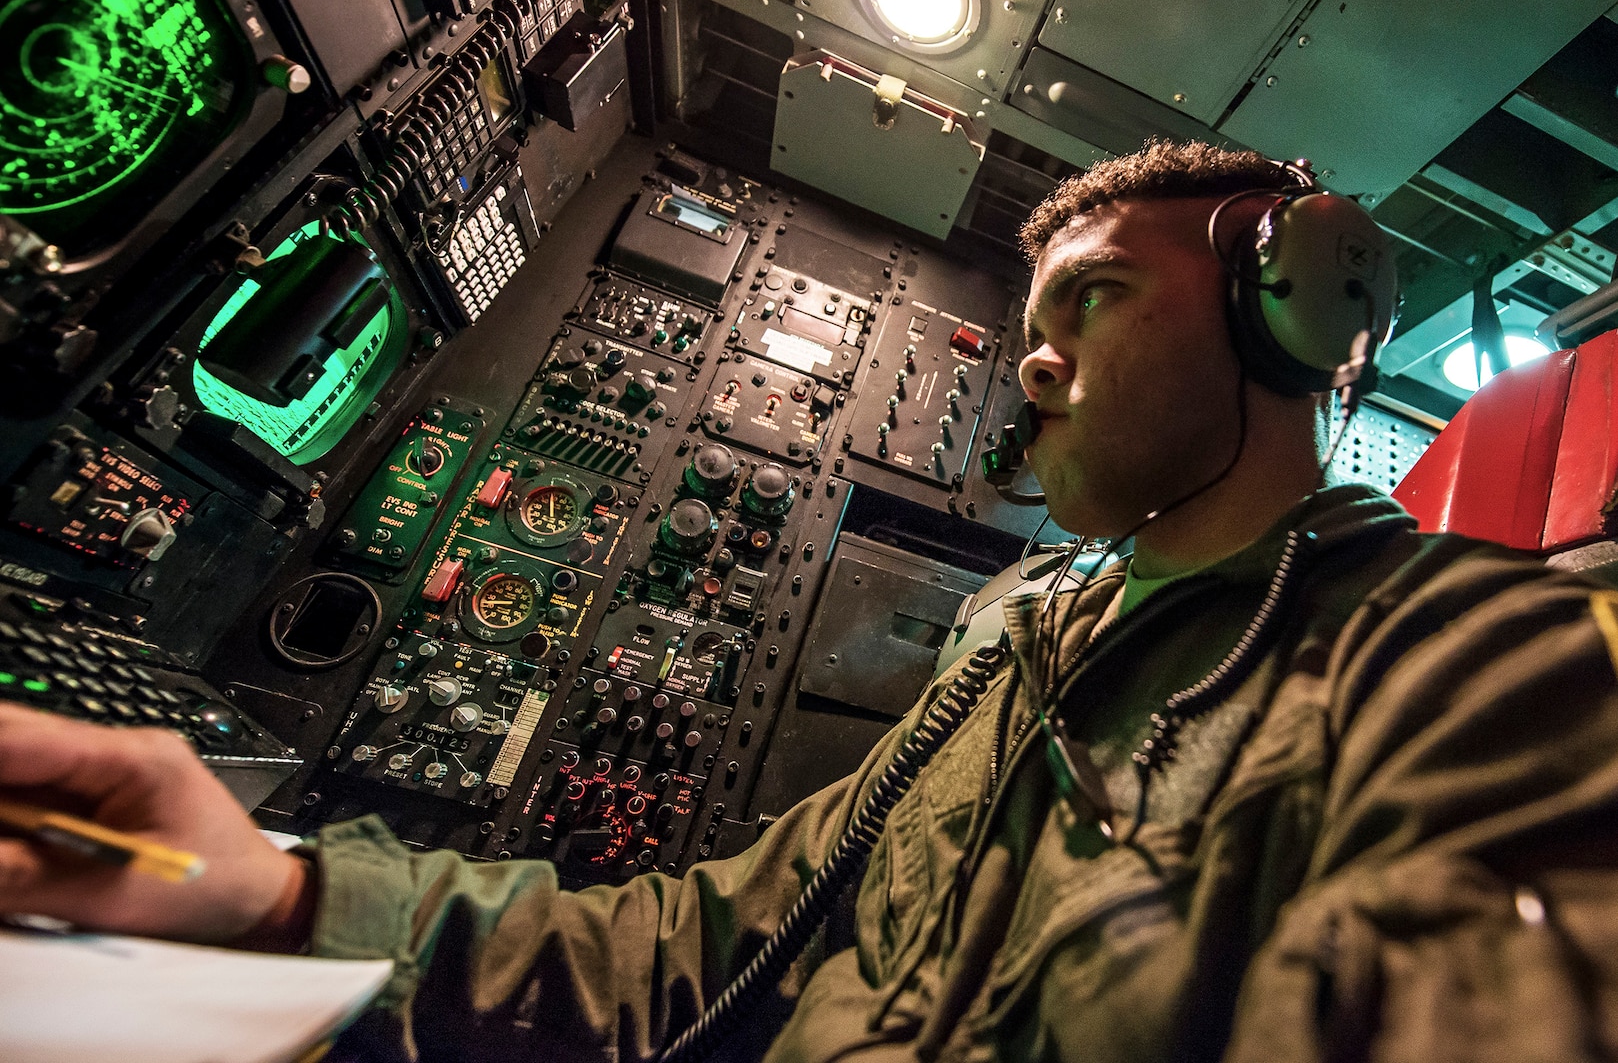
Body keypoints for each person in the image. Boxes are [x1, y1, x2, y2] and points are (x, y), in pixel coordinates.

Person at [4, 139, 1618, 1062]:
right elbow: (709, 940)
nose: (1032, 358)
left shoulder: (1466, 659)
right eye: (1026, 321)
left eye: (1094, 301)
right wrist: (280, 900)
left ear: (1292, 306)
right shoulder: (1025, 641)